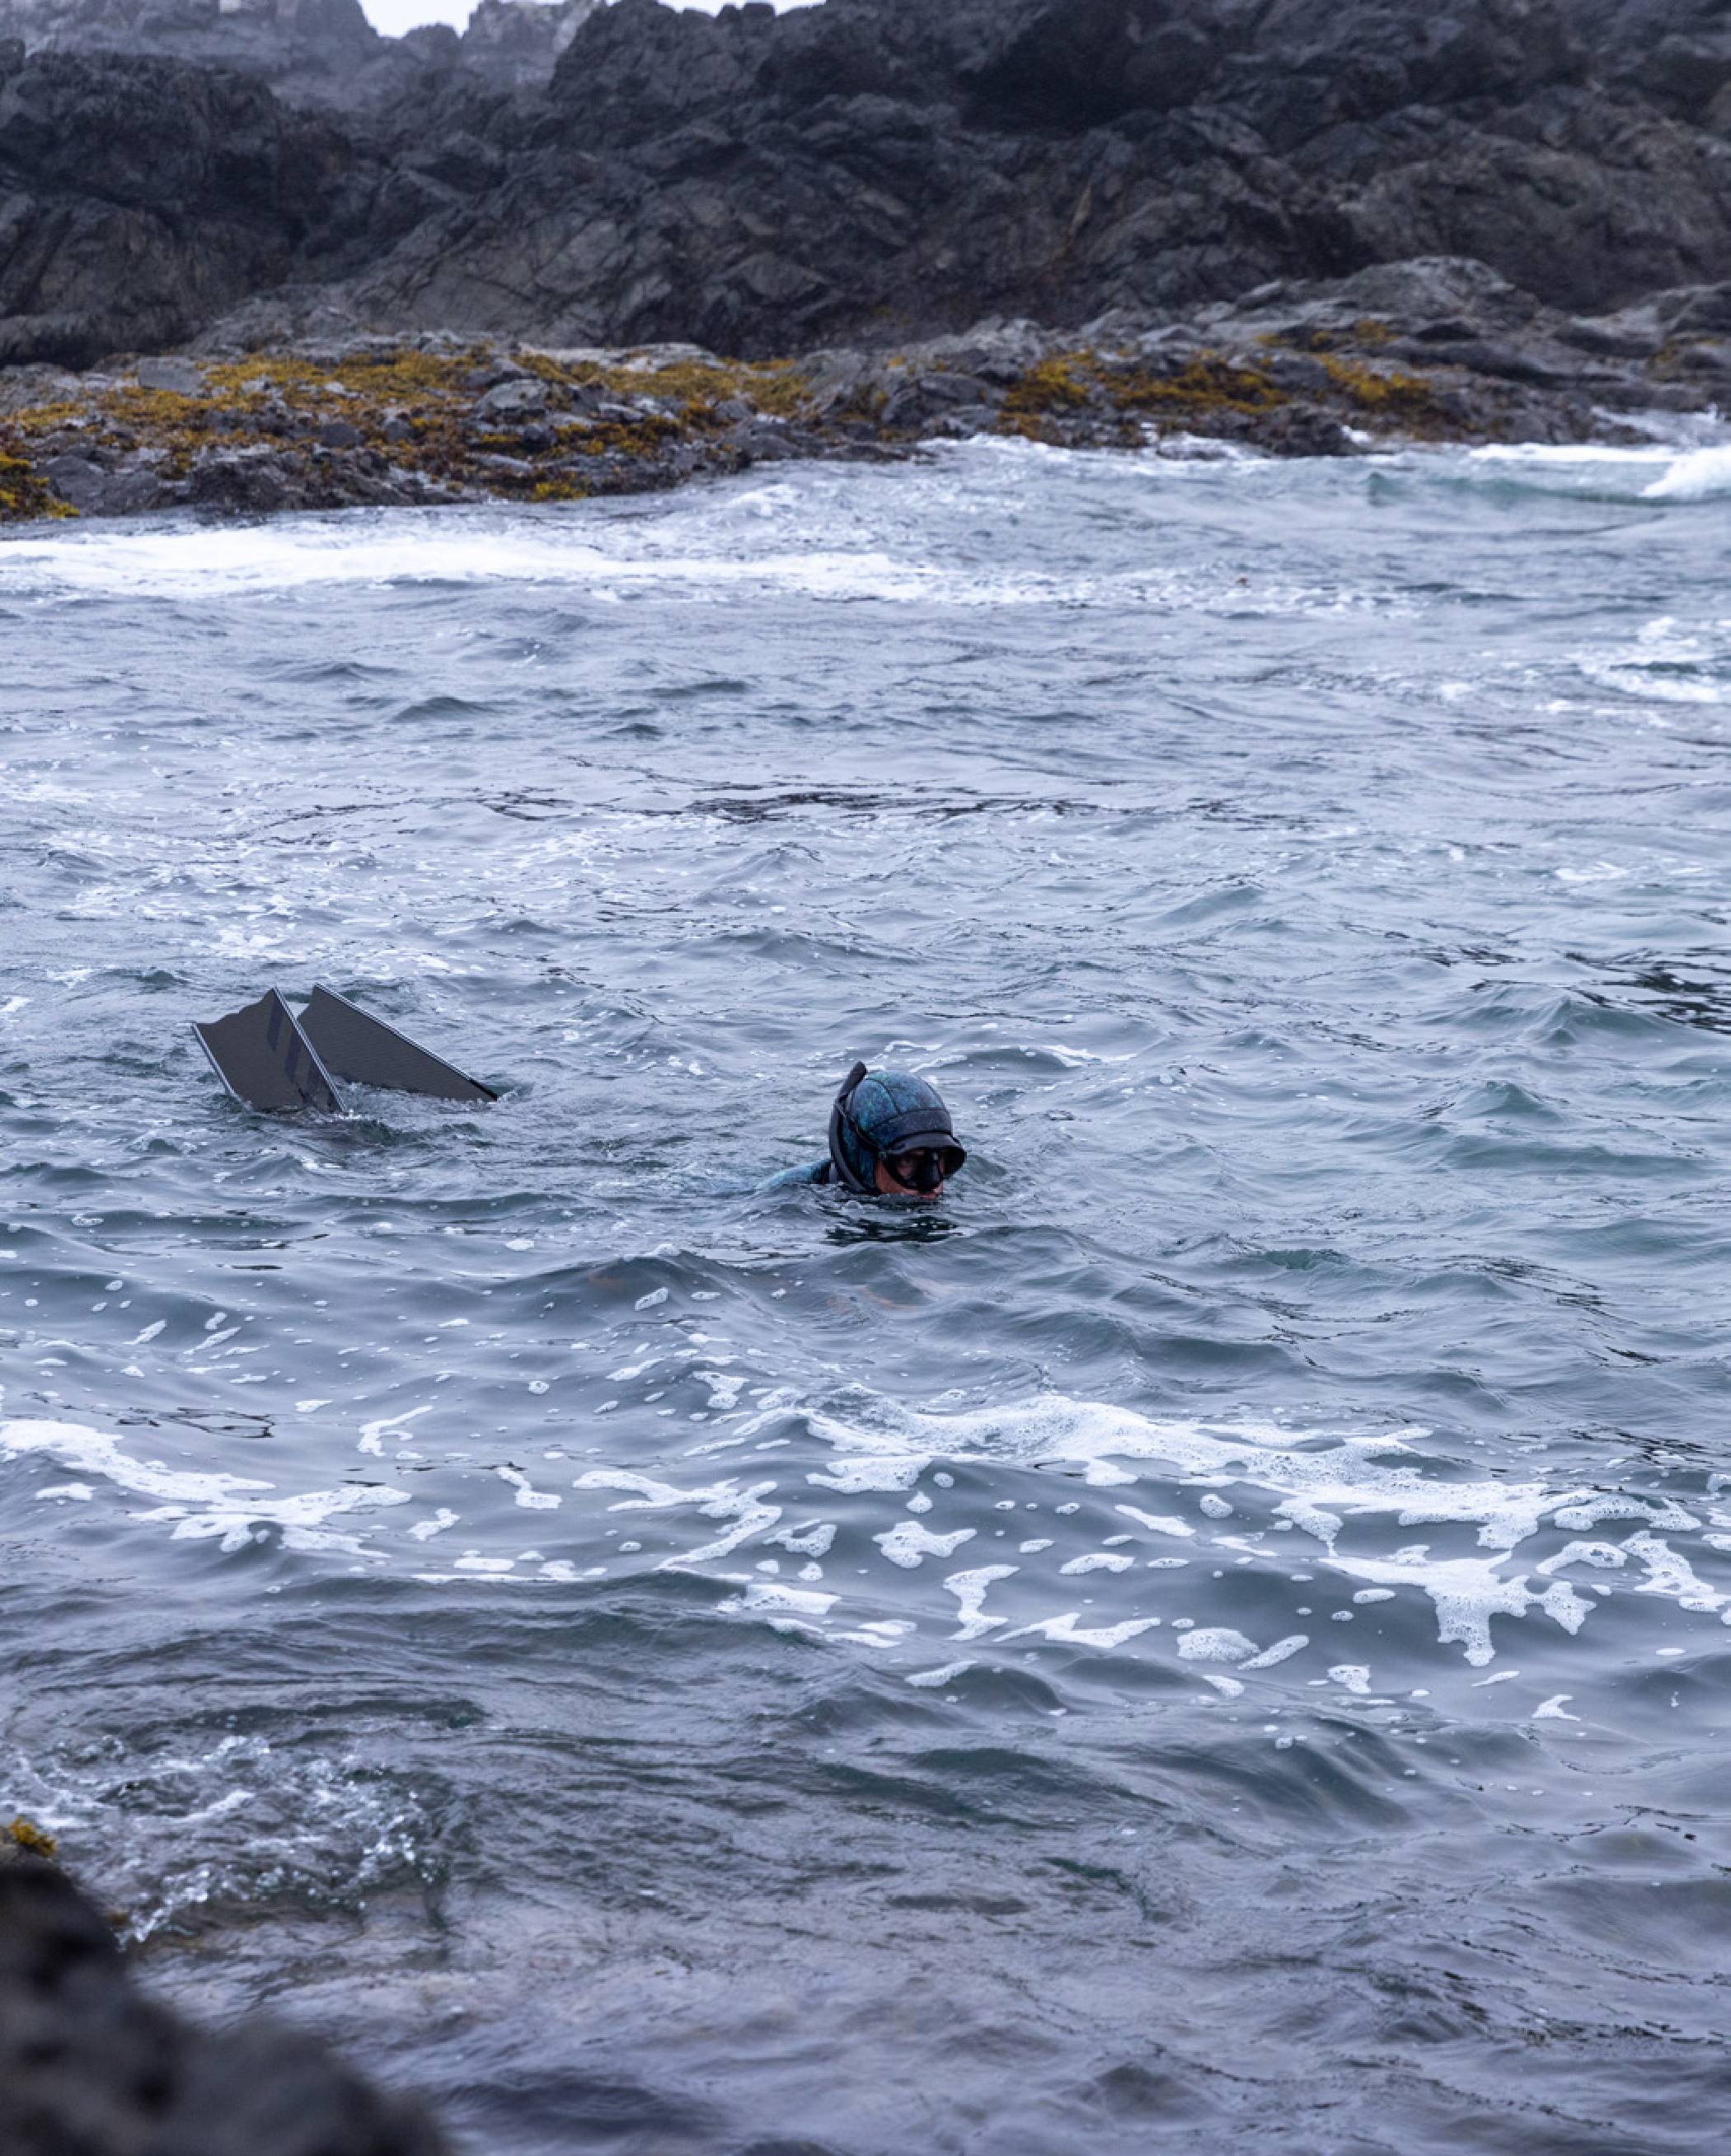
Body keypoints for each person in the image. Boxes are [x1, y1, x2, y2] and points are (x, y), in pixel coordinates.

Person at [761, 1062, 967, 1198]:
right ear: (865, 1161)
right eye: (908, 1160)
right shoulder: (786, 1200)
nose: (932, 1183)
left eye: (940, 1158)